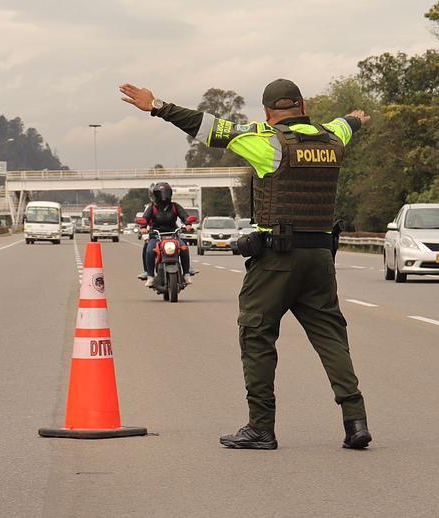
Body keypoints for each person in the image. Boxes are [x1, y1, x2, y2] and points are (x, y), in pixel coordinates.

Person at [119, 79, 372, 450]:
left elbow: (207, 126)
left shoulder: (267, 140)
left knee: (256, 334)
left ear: (268, 114)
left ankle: (261, 427)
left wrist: (156, 105)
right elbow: (346, 123)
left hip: (276, 260)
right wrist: (356, 118)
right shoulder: (332, 138)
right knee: (331, 337)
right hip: (320, 258)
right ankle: (356, 422)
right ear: (303, 107)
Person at [141, 182, 194, 287]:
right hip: (156, 235)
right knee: (149, 251)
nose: (163, 196)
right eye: (161, 193)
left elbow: (184, 216)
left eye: (165, 193)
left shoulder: (175, 206)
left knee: (184, 248)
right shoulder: (152, 208)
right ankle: (150, 276)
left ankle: (186, 273)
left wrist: (188, 224)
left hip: (173, 234)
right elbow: (144, 219)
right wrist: (143, 227)